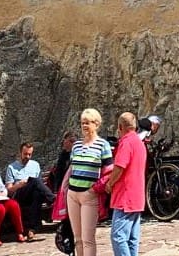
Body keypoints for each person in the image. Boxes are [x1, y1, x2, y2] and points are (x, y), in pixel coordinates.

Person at [66, 109, 113, 256]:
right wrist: (64, 187)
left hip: (89, 195)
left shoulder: (103, 145)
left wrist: (94, 189)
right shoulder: (76, 145)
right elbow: (72, 168)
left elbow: (109, 171)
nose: (84, 126)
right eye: (82, 123)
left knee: (88, 239)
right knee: (77, 238)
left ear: (96, 124)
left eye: (88, 123)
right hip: (72, 194)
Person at [106, 113, 146, 256]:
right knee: (132, 238)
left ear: (120, 127)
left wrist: (110, 183)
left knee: (118, 236)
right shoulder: (139, 142)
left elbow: (120, 166)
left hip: (125, 196)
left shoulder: (126, 142)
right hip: (137, 196)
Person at [4, 140, 54, 235]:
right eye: (25, 154)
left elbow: (39, 185)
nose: (27, 157)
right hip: (19, 195)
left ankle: (33, 229)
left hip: (33, 194)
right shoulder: (12, 167)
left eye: (30, 154)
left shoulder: (35, 165)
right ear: (20, 153)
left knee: (37, 194)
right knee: (34, 180)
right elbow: (9, 190)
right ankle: (53, 200)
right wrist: (19, 185)